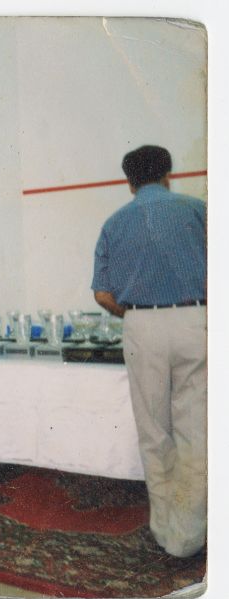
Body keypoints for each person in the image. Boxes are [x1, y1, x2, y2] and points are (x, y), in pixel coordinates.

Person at [91, 145, 206, 558]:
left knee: (155, 433)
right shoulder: (198, 210)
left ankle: (167, 533)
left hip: (141, 325)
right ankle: (192, 533)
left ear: (129, 181)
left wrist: (136, 312)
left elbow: (102, 293)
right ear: (169, 173)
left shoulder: (113, 223)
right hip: (198, 320)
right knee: (199, 430)